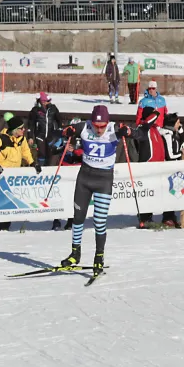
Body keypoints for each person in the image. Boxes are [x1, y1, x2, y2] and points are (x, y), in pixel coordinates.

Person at [59, 105, 130, 277]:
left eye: (102, 126)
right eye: (96, 126)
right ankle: (75, 254)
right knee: (77, 218)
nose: (99, 129)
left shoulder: (113, 129)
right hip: (84, 178)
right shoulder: (84, 127)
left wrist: (128, 131)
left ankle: (99, 256)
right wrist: (66, 131)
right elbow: (63, 132)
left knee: (99, 221)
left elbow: (137, 133)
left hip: (103, 180)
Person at [0, 115, 39, 231]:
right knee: (0, 204)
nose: (24, 130)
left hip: (13, 177)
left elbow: (25, 152)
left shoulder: (21, 139)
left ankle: (5, 227)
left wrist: (33, 163)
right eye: (21, 128)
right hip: (1, 177)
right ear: (14, 130)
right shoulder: (1, 139)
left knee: (10, 203)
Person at [130, 106, 165, 229]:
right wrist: (155, 113)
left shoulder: (154, 129)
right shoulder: (144, 128)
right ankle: (144, 218)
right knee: (146, 194)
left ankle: (149, 217)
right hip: (147, 165)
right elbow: (149, 120)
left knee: (152, 194)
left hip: (156, 166)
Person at [158, 112, 184, 227]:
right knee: (170, 192)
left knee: (174, 193)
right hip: (168, 167)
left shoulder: (173, 133)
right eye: (178, 123)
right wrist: (180, 154)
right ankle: (167, 217)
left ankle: (171, 215)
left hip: (174, 168)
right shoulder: (167, 135)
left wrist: (181, 131)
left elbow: (183, 144)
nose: (180, 125)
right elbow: (170, 154)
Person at [27, 91, 61, 167]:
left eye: (48, 101)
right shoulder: (35, 110)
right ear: (42, 101)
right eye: (45, 101)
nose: (47, 103)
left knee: (50, 153)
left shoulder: (53, 108)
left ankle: (48, 169)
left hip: (50, 135)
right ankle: (40, 167)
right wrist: (30, 137)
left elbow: (59, 120)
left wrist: (60, 132)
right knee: (41, 153)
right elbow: (31, 124)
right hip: (39, 135)